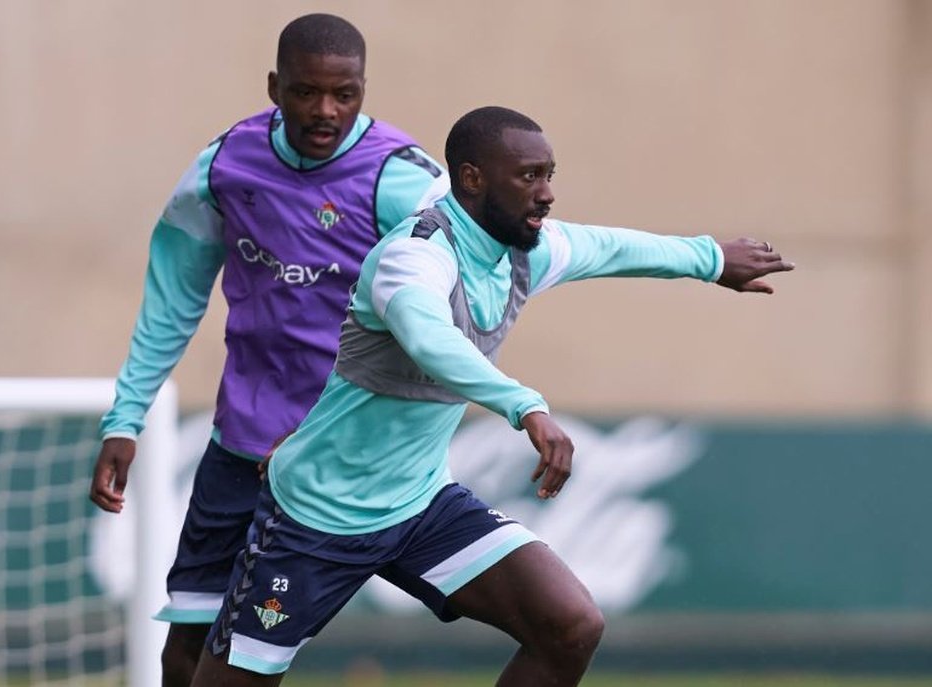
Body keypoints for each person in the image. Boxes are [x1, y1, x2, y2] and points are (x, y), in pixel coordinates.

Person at [189, 106, 795, 686]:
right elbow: (430, 338)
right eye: (530, 176)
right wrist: (524, 404)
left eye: (549, 175)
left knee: (569, 625)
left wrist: (711, 258)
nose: (548, 192)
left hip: (419, 506)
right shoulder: (413, 256)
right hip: (315, 516)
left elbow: (610, 247)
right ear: (473, 179)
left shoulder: (524, 251)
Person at [87, 13, 449, 686]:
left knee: (557, 619)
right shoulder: (226, 165)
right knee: (188, 653)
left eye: (345, 94)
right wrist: (125, 416)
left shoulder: (406, 182)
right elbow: (172, 298)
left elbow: (457, 311)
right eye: (307, 92)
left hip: (347, 463)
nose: (326, 111)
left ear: (365, 89)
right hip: (241, 451)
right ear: (274, 87)